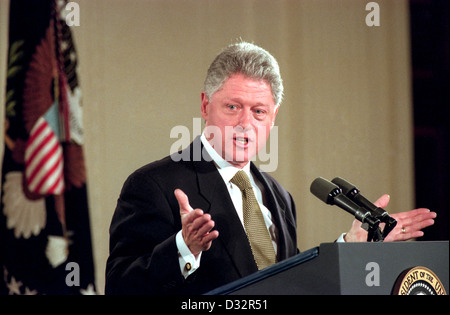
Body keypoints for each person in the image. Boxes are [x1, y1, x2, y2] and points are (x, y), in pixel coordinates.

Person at [105, 41, 436, 295]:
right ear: (206, 106)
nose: (244, 124)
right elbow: (121, 287)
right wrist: (184, 248)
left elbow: (287, 281)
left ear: (273, 117)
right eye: (233, 107)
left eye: (259, 112)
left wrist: (349, 248)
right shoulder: (153, 184)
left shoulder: (277, 195)